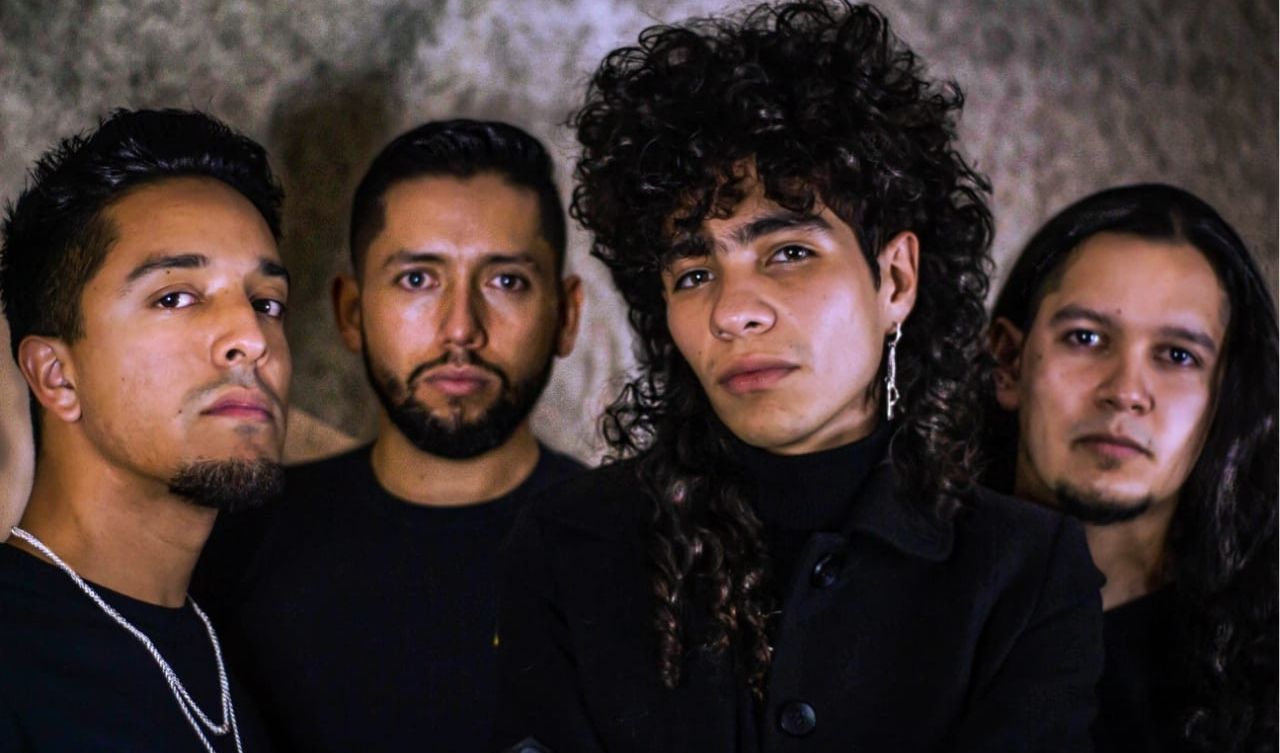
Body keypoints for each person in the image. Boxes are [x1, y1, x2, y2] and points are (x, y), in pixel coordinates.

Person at [493, 3, 1104, 751]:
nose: (732, 311)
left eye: (788, 253)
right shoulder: (569, 546)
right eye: (694, 272)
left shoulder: (1025, 576)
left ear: (895, 278)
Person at [194, 119, 585, 753]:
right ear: (351, 312)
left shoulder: (640, 555)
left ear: (566, 315)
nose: (461, 329)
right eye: (417, 279)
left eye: (506, 281)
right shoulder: (234, 547)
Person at [0, 108, 288, 751]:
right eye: (175, 297)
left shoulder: (234, 654)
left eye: (267, 302)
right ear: (57, 376)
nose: (251, 337)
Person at [986, 183, 1278, 753]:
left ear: (1226, 395)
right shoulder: (893, 601)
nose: (1125, 392)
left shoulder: (1266, 666)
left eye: (1177, 355)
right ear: (1007, 362)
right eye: (1085, 338)